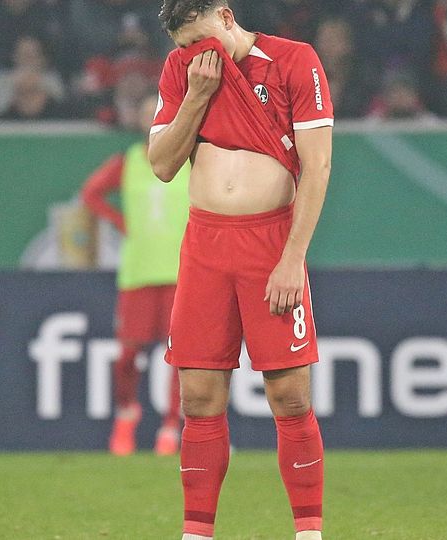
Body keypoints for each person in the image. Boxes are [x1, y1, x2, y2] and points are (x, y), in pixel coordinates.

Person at [148, 1, 333, 539]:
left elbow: (318, 165)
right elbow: (162, 164)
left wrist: (292, 258)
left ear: (225, 17)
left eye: (198, 38)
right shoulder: (182, 72)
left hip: (270, 243)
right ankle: (196, 533)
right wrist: (197, 96)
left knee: (290, 395)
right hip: (205, 246)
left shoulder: (294, 61)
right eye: (184, 46)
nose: (193, 53)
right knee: (198, 398)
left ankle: (308, 532)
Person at [80, 93, 188, 455]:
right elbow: (91, 194)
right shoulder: (127, 162)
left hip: (180, 273)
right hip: (138, 272)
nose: (153, 117)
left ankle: (171, 427)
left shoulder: (190, 159)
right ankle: (127, 411)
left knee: (179, 356)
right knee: (127, 355)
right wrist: (120, 222)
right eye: (146, 113)